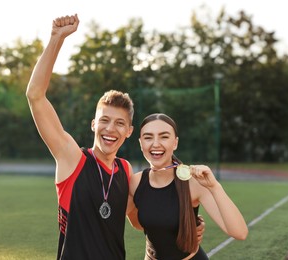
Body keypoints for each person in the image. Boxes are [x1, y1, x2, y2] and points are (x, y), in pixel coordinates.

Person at [25, 14, 205, 260]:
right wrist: (56, 39)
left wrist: (186, 222)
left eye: (120, 123)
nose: (111, 129)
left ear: (129, 132)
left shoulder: (125, 170)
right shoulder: (72, 158)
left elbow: (139, 220)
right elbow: (35, 95)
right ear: (93, 125)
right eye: (104, 120)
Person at [127, 113, 248, 260]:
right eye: (148, 137)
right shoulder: (135, 183)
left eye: (164, 136)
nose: (156, 143)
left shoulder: (193, 183)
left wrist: (215, 187)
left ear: (175, 143)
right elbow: (140, 224)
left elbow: (240, 232)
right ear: (141, 143)